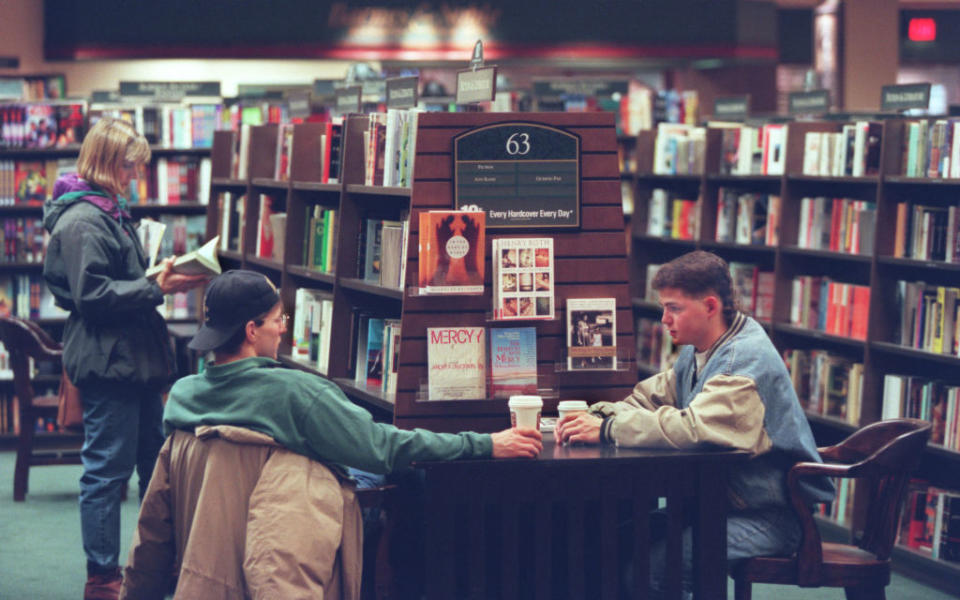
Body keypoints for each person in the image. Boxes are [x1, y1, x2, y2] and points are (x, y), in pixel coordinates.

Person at [121, 269, 543, 598]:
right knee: (406, 479)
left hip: (209, 560)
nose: (283, 328)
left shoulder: (183, 397)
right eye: (276, 319)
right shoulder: (296, 395)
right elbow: (383, 447)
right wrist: (485, 443)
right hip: (283, 562)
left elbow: (153, 525)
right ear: (252, 331)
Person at [556, 250, 834, 599]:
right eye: (663, 308)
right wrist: (601, 415)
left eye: (674, 308)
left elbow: (693, 428)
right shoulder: (702, 347)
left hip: (768, 517)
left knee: (655, 574)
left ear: (710, 307)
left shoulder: (741, 362)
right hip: (718, 504)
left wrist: (608, 429)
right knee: (612, 544)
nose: (664, 319)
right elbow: (654, 396)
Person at [42, 117, 208, 600]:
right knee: (106, 470)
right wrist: (157, 285)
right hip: (109, 360)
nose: (137, 174)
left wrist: (157, 276)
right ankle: (103, 577)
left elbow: (113, 282)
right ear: (109, 162)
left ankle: (153, 564)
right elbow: (91, 296)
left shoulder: (108, 210)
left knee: (154, 459)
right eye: (131, 165)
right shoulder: (82, 220)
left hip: (133, 358)